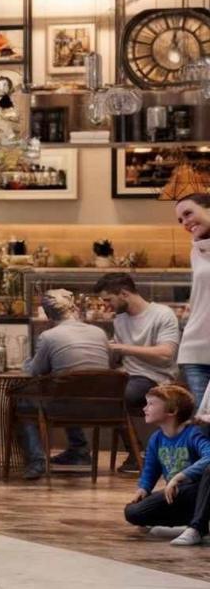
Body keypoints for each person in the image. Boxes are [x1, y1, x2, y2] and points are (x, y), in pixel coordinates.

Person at [19, 289, 116, 477]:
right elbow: (109, 365)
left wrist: (26, 361)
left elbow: (33, 372)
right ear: (75, 308)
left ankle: (37, 461)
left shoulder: (49, 336)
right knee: (72, 388)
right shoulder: (99, 333)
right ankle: (79, 450)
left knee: (24, 400)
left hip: (64, 407)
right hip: (103, 406)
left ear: (47, 315)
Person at [125, 380, 210, 543]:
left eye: (151, 404)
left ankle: (197, 527)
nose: (145, 408)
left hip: (196, 491)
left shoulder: (193, 434)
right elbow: (150, 468)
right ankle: (185, 524)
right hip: (177, 494)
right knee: (133, 512)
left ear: (172, 411)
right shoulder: (156, 438)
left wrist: (180, 476)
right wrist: (144, 488)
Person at [101, 277, 183, 411]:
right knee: (86, 389)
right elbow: (119, 355)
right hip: (126, 375)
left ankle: (125, 428)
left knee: (125, 394)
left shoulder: (162, 314)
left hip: (155, 378)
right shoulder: (120, 319)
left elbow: (166, 353)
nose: (107, 306)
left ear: (124, 294)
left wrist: (121, 348)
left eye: (108, 300)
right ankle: (122, 429)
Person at [180, 192, 210, 409]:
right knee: (203, 424)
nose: (185, 223)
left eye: (188, 213)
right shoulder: (195, 251)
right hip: (195, 348)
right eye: (181, 220)